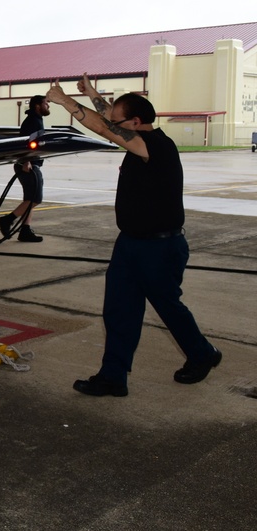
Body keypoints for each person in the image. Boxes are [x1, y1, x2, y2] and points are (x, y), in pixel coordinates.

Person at [46, 74, 221, 397]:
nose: (113, 123)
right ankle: (113, 376)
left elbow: (103, 127)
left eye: (120, 119)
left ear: (136, 122)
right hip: (130, 243)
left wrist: (66, 101)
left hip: (160, 247)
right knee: (119, 310)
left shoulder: (155, 146)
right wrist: (93, 94)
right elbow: (110, 117)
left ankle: (203, 354)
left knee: (168, 306)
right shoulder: (138, 133)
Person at [0, 95, 50, 242]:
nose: (48, 106)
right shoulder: (33, 121)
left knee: (29, 199)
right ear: (38, 106)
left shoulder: (36, 119)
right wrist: (26, 161)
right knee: (35, 199)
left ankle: (25, 230)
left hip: (30, 163)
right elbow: (27, 143)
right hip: (28, 165)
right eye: (46, 103)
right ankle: (7, 220)